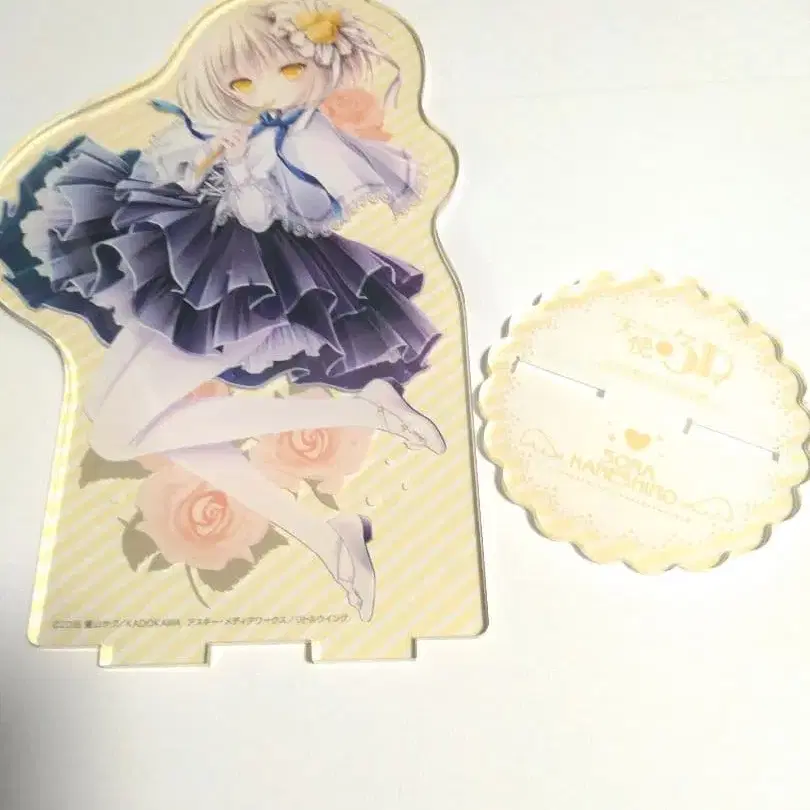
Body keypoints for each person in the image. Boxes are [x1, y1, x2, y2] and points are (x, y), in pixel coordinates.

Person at [0, 1, 446, 622]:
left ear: (320, 65)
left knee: (115, 436)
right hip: (197, 272)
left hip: (252, 290)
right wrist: (208, 158)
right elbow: (176, 175)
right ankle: (327, 539)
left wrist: (237, 166)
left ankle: (362, 411)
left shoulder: (309, 140)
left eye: (290, 71)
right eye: (241, 83)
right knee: (106, 411)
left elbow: (273, 216)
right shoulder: (248, 128)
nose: (266, 91)